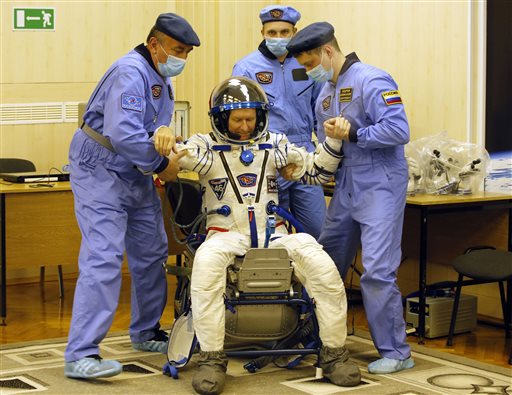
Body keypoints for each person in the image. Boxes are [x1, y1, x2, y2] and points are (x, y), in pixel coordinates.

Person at [166, 77, 361, 395]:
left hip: (274, 234)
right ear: (220, 119)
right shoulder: (205, 147)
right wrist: (162, 141)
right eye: (237, 119)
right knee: (205, 265)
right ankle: (212, 359)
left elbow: (316, 171)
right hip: (226, 235)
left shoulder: (275, 144)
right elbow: (166, 163)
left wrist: (334, 142)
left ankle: (334, 354)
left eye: (250, 118)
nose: (245, 126)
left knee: (322, 265)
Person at [64, 13, 198, 379]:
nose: (181, 58)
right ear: (154, 44)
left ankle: (145, 331)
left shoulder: (161, 78)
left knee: (152, 250)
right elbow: (123, 133)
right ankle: (81, 353)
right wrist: (160, 165)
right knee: (104, 256)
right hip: (100, 165)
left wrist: (170, 146)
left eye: (186, 52)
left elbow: (154, 130)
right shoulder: (130, 71)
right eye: (176, 50)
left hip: (134, 170)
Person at [286, 22, 414, 374]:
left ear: (328, 52)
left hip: (381, 185)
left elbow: (399, 129)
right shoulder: (325, 93)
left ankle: (396, 352)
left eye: (310, 63)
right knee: (323, 263)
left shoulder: (373, 80)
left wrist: (355, 131)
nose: (308, 71)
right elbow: (329, 147)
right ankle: (314, 339)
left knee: (376, 271)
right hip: (346, 185)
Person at [232, 5, 326, 238]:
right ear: (262, 32)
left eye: (284, 32)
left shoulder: (307, 63)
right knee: (270, 233)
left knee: (318, 231)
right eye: (272, 33)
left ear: (295, 31)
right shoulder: (246, 67)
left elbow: (321, 112)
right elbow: (238, 121)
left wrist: (326, 156)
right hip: (267, 159)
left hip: (304, 154)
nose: (278, 38)